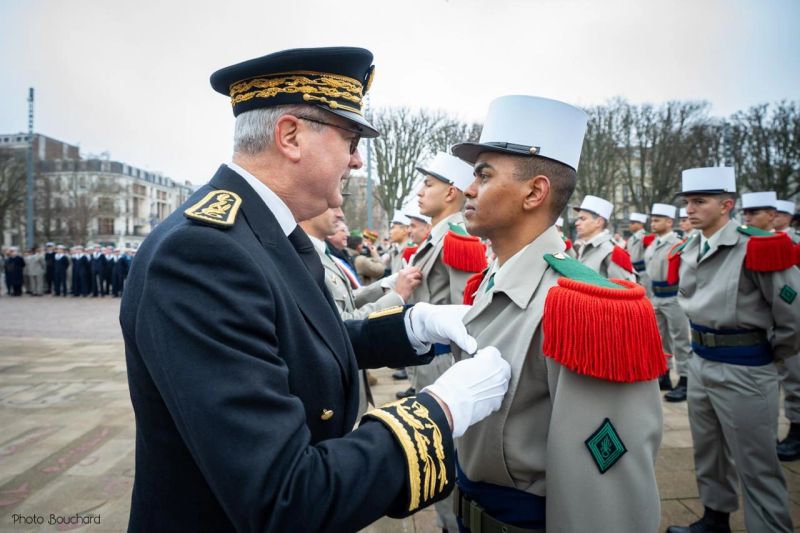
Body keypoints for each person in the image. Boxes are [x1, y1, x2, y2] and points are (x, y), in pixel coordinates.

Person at [120, 46, 512, 532]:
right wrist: (443, 408)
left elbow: (298, 343)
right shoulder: (203, 254)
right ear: (290, 136)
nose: (356, 160)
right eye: (349, 139)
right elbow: (286, 497)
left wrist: (414, 326)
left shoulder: (262, 231)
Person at [445, 95, 665, 532]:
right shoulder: (488, 281)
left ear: (535, 192)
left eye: (484, 175)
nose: (468, 189)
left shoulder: (585, 307)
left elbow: (604, 488)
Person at [665, 167, 799, 533]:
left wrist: (765, 356)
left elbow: (792, 316)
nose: (689, 209)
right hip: (701, 362)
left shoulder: (758, 246)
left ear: (727, 205)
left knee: (757, 463)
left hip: (746, 367)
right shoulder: (690, 246)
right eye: (687, 202)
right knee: (709, 452)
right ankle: (715, 519)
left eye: (699, 201)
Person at [402, 151, 487, 531]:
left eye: (429, 184)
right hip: (428, 365)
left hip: (444, 367)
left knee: (449, 457)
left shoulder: (458, 239)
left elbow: (464, 318)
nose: (420, 192)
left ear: (452, 191)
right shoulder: (440, 236)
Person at [300, 207, 422, 416]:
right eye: (331, 207)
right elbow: (341, 322)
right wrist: (397, 296)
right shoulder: (306, 256)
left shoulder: (319, 252)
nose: (340, 214)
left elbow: (346, 298)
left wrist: (385, 286)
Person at [643, 203, 692, 401]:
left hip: (673, 297)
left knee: (680, 339)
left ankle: (685, 379)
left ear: (669, 222)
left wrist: (682, 295)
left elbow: (687, 275)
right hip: (656, 296)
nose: (653, 224)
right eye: (652, 220)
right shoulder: (653, 243)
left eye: (657, 220)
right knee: (660, 338)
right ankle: (664, 374)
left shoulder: (679, 243)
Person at [573, 195, 636, 281]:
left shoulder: (612, 252)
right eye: (578, 219)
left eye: (583, 219)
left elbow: (627, 290)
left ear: (599, 222)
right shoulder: (584, 247)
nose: (577, 223)